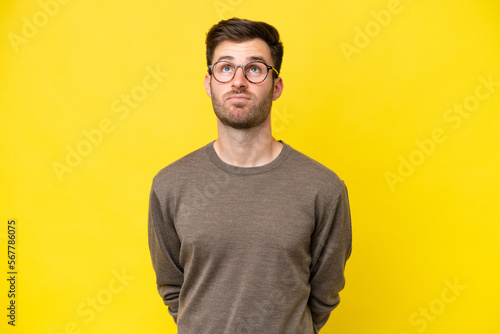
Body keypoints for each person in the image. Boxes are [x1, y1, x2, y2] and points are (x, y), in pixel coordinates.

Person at [148, 18, 352, 334]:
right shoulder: (170, 186)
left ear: (276, 86)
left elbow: (325, 291)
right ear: (209, 82)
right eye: (225, 68)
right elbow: (172, 285)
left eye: (254, 69)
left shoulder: (323, 188)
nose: (238, 81)